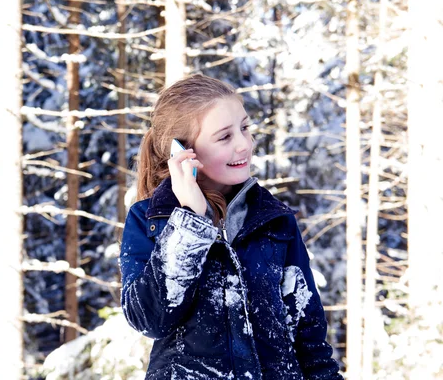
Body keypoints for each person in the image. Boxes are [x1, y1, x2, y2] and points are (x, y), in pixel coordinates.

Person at [119, 74, 343, 379]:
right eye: (224, 137)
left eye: (245, 128)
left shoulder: (276, 222)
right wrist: (191, 221)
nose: (244, 145)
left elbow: (310, 342)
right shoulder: (149, 221)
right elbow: (149, 318)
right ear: (181, 151)